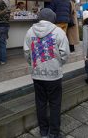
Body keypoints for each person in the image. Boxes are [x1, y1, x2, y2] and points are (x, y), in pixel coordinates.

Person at [23, 8, 70, 138]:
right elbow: (65, 53)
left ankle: (43, 131)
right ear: (52, 19)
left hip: (37, 74)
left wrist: (32, 64)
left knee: (40, 102)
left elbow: (27, 53)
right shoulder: (58, 32)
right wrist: (59, 63)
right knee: (55, 103)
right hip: (54, 74)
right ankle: (54, 133)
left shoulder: (30, 32)